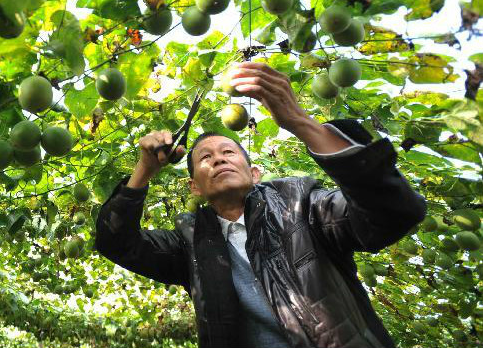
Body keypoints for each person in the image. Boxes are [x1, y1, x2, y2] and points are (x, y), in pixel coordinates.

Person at [94, 61, 426, 348]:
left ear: (255, 174)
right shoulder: (191, 244)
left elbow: (393, 213)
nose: (218, 160)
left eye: (228, 153)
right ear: (195, 187)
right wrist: (144, 170)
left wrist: (299, 121)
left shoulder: (301, 207)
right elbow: (117, 243)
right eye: (205, 158)